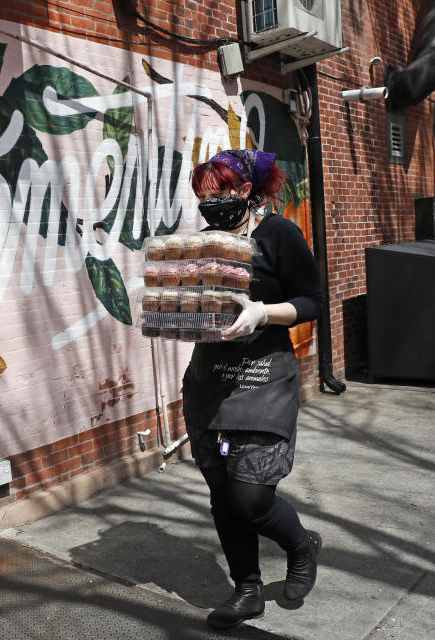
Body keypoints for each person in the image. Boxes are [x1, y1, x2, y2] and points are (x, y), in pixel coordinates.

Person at [183, 149, 324, 630]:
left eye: (217, 195)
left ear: (245, 192)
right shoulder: (206, 243)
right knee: (222, 496)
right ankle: (247, 590)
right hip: (210, 381)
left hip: (263, 378)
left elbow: (312, 300)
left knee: (251, 499)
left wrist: (262, 312)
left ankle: (302, 545)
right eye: (202, 197)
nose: (209, 206)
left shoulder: (277, 234)